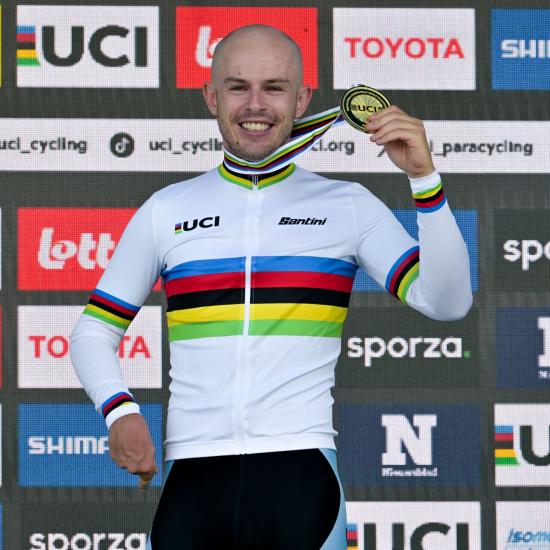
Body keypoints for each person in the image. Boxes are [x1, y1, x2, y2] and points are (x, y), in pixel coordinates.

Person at [70, 24, 472, 550]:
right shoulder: (167, 209)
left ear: (301, 100)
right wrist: (120, 412)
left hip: (301, 477)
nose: (255, 104)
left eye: (274, 88)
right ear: (212, 97)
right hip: (192, 478)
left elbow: (447, 302)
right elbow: (92, 332)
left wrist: (424, 180)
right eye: (238, 87)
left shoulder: (347, 205)